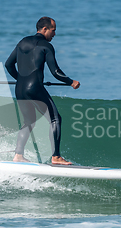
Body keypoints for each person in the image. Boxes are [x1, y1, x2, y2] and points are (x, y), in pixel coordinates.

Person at [5, 17, 80, 165]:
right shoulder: (46, 46)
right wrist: (71, 82)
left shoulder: (22, 42)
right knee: (55, 119)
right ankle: (56, 157)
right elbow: (56, 72)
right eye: (53, 31)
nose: (54, 34)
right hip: (35, 88)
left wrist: (22, 79)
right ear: (45, 29)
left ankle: (18, 155)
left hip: (19, 89)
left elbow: (8, 65)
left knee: (29, 121)